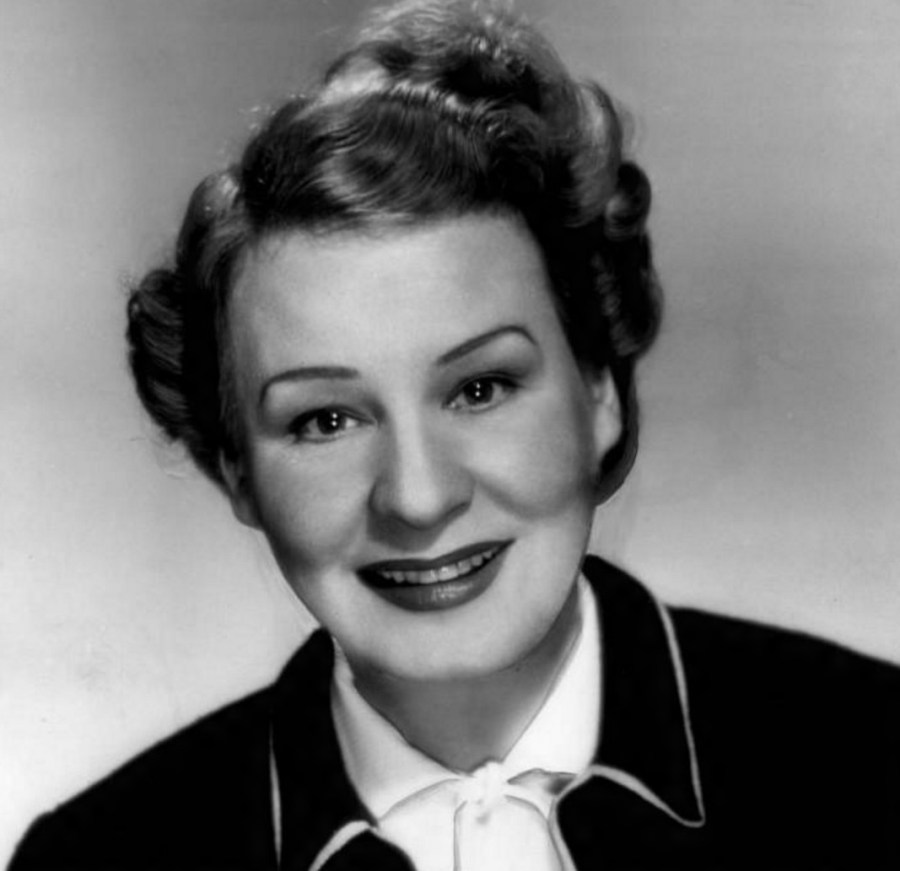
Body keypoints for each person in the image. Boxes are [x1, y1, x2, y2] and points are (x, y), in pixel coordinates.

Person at [10, 1, 900, 869]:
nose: (419, 496)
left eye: (480, 389)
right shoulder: (92, 862)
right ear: (235, 467)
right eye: (325, 419)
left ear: (599, 392)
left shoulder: (874, 757)